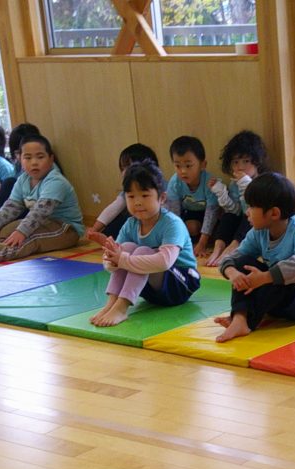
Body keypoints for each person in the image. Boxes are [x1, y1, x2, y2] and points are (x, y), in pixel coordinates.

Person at [215, 172, 295, 343]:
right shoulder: (258, 232)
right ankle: (240, 317)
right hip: (278, 302)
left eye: (251, 207)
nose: (247, 212)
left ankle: (248, 320)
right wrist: (233, 273)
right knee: (243, 263)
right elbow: (233, 257)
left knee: (280, 275)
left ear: (274, 213)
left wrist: (264, 277)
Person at [88, 161, 200, 327]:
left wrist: (122, 259)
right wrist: (111, 259)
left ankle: (121, 308)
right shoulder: (130, 224)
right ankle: (111, 303)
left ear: (161, 198)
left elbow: (164, 262)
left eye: (145, 195)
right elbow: (112, 262)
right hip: (149, 289)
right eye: (131, 197)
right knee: (125, 248)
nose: (138, 202)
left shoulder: (172, 223)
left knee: (143, 251)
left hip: (181, 285)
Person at [0, 133, 83, 264]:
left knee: (30, 238)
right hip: (41, 224)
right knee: (6, 230)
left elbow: (40, 213)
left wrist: (22, 232)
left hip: (65, 229)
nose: (34, 162)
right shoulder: (23, 179)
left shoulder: (55, 181)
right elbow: (12, 205)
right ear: (20, 159)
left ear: (51, 159)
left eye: (40, 157)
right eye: (28, 158)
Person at [206, 129, 268, 267]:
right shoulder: (235, 183)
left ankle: (233, 248)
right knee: (228, 216)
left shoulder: (263, 182)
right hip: (240, 218)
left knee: (250, 217)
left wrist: (246, 184)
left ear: (257, 162)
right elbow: (234, 209)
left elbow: (251, 209)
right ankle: (218, 248)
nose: (240, 167)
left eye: (246, 161)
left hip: (257, 223)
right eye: (235, 162)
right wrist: (220, 191)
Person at [87, 143, 160, 241]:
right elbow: (114, 208)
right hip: (136, 224)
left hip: (156, 225)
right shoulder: (128, 189)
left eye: (130, 167)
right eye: (123, 168)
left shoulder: (159, 187)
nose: (125, 172)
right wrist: (95, 229)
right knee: (116, 223)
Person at [166, 135, 219, 258]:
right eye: (178, 166)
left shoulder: (210, 182)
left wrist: (202, 243)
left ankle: (202, 239)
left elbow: (212, 213)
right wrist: (176, 243)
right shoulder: (175, 182)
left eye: (188, 165)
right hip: (189, 213)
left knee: (219, 233)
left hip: (209, 213)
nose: (183, 171)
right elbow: (174, 214)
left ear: (202, 165)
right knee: (192, 227)